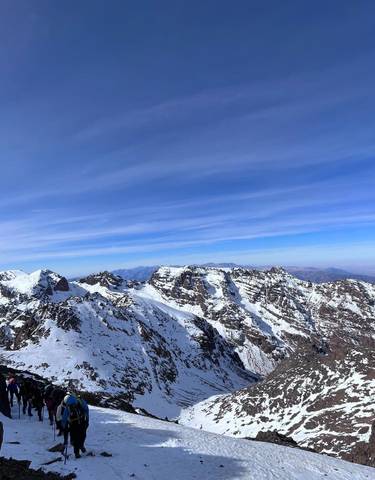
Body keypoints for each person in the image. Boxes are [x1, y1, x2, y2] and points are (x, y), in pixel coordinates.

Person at [61, 394, 89, 459]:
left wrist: (64, 426)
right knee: (83, 435)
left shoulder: (68, 406)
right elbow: (86, 410)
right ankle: (81, 446)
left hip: (73, 424)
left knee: (75, 438)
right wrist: (87, 420)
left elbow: (64, 417)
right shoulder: (80, 401)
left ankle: (77, 453)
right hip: (82, 422)